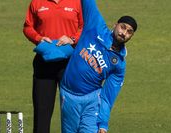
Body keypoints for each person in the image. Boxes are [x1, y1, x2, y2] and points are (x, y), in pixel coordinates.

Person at [59, 0, 138, 132]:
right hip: (69, 95)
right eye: (123, 27)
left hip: (92, 101)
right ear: (115, 25)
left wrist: (103, 124)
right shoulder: (95, 25)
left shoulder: (119, 65)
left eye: (129, 32)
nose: (124, 33)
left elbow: (108, 97)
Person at [23, 0, 83, 132]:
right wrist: (38, 38)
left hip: (70, 64)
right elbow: (28, 27)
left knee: (72, 110)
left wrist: (72, 39)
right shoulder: (37, 3)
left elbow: (85, 27)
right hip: (44, 62)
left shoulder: (77, 2)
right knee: (42, 112)